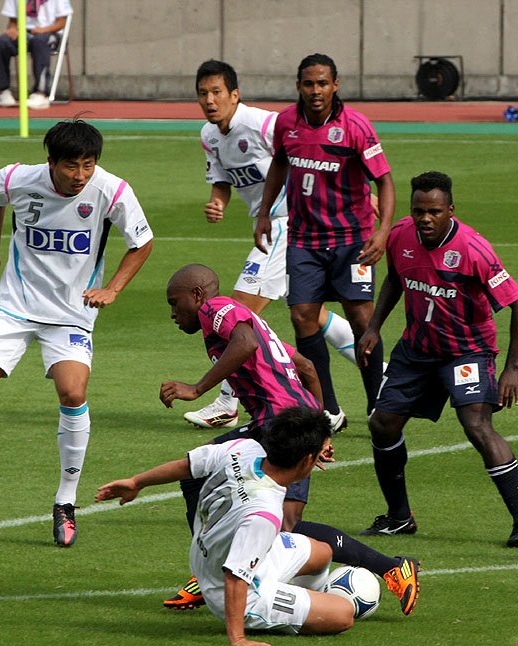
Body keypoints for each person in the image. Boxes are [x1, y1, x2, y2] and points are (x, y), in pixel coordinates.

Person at [0, 119, 153, 547]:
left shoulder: (112, 191)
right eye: (71, 165)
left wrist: (113, 288)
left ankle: (65, 502)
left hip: (71, 314)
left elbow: (142, 242)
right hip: (13, 308)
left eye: (88, 165)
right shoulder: (17, 178)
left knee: (73, 392)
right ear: (50, 162)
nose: (80, 175)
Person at [159, 264, 419, 615]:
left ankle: (391, 567)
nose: (173, 313)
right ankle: (212, 566)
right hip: (283, 420)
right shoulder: (250, 320)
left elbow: (246, 344)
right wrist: (320, 428)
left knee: (285, 524)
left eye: (175, 303)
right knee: (196, 473)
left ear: (197, 294)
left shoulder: (216, 308)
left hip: (279, 423)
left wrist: (196, 389)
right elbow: (306, 367)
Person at [357, 171, 518, 548]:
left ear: (450, 210)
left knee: (476, 425)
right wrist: (373, 327)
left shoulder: (474, 249)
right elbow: (394, 279)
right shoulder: (400, 235)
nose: (425, 218)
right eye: (418, 211)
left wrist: (511, 369)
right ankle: (398, 517)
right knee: (382, 424)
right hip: (417, 351)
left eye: (434, 211)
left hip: (466, 352)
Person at [187, 59, 359, 433]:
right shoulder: (209, 136)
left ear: (235, 94)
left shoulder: (263, 123)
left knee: (235, 312)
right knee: (310, 314)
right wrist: (218, 202)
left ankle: (228, 403)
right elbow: (222, 181)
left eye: (217, 92)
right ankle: (381, 372)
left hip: (289, 223)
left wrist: (352, 190)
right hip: (270, 226)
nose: (210, 100)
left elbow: (312, 148)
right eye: (203, 93)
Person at [97, 407, 356, 646]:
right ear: (306, 459)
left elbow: (186, 466)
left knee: (323, 552)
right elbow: (235, 576)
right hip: (231, 589)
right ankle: (282, 608)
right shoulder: (264, 514)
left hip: (219, 552)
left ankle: (301, 603)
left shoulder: (244, 448)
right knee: (343, 614)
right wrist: (238, 638)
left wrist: (136, 482)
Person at [255, 53, 394, 429]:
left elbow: (384, 180)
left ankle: (376, 404)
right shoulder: (286, 122)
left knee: (361, 318)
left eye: (322, 83)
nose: (315, 91)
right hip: (305, 239)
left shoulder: (356, 126)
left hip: (352, 240)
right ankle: (328, 408)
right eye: (308, 84)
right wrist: (264, 212)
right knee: (302, 316)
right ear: (298, 86)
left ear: (335, 85)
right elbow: (279, 163)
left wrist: (382, 231)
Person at [0, 0, 73, 110]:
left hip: (50, 32)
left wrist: (43, 30)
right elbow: (13, 21)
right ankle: (2, 91)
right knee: (1, 43)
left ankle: (41, 93)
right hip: (24, 32)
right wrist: (12, 29)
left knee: (39, 41)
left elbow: (61, 22)